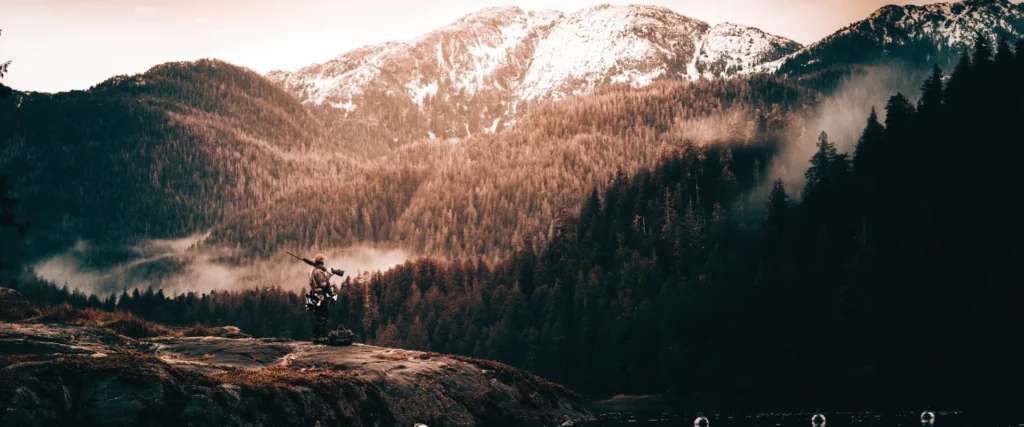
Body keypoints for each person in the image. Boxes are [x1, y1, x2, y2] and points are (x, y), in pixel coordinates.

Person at [308, 253, 332, 344]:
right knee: (323, 316)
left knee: (319, 316)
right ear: (321, 262)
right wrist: (328, 276)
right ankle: (321, 337)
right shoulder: (318, 272)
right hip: (320, 296)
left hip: (317, 296)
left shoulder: (314, 270)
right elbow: (323, 284)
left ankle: (318, 336)